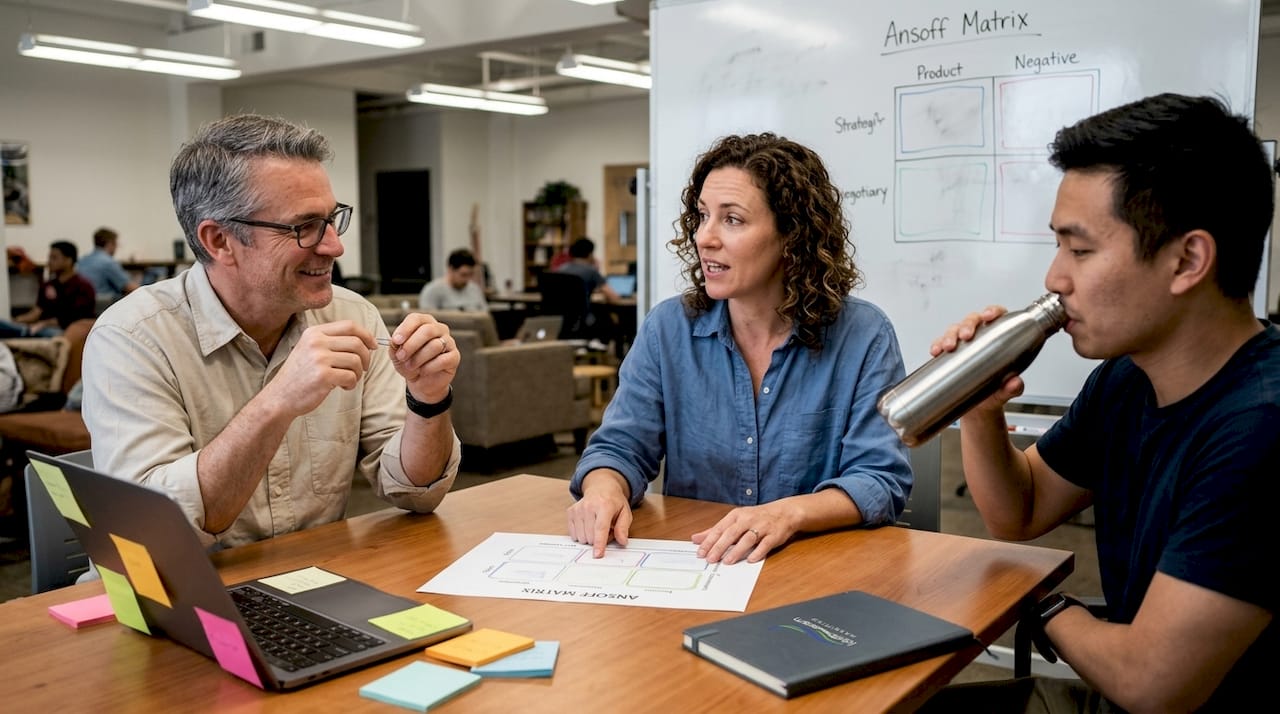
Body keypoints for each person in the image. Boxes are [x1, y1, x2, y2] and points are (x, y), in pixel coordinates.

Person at [918, 94, 1278, 713]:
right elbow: (1019, 511)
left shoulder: (1262, 426)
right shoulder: (1127, 378)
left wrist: (1045, 604)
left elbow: (1151, 682)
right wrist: (980, 405)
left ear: (1187, 260)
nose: (1055, 278)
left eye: (1080, 251)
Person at [81, 114, 462, 549]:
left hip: (307, 583)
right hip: (176, 598)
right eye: (303, 227)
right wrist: (277, 402)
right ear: (219, 241)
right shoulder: (132, 337)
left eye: (333, 218)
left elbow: (415, 490)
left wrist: (429, 399)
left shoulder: (351, 314)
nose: (335, 246)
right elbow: (153, 533)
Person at [566, 133, 912, 565]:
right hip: (701, 565)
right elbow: (619, 449)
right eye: (702, 216)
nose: (704, 238)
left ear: (792, 236)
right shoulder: (668, 328)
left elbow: (879, 479)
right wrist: (603, 490)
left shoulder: (864, 334)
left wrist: (789, 514)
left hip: (813, 568)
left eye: (732, 220)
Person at [0, 240, 95, 337]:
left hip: (68, 330)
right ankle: (24, 331)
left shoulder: (83, 286)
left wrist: (43, 324)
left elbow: (74, 318)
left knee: (51, 333)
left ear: (69, 260)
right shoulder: (48, 284)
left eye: (54, 258)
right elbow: (36, 312)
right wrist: (16, 321)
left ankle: (25, 332)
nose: (49, 262)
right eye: (49, 257)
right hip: (41, 327)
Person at [77, 227, 140, 302]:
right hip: (104, 304)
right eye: (116, 244)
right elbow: (131, 287)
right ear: (110, 243)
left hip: (86, 304)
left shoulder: (82, 260)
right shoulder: (108, 262)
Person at [418, 248, 488, 312]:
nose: (467, 279)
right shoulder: (432, 290)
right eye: (463, 275)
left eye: (471, 275)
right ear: (450, 269)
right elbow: (428, 319)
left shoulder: (474, 289)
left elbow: (485, 315)